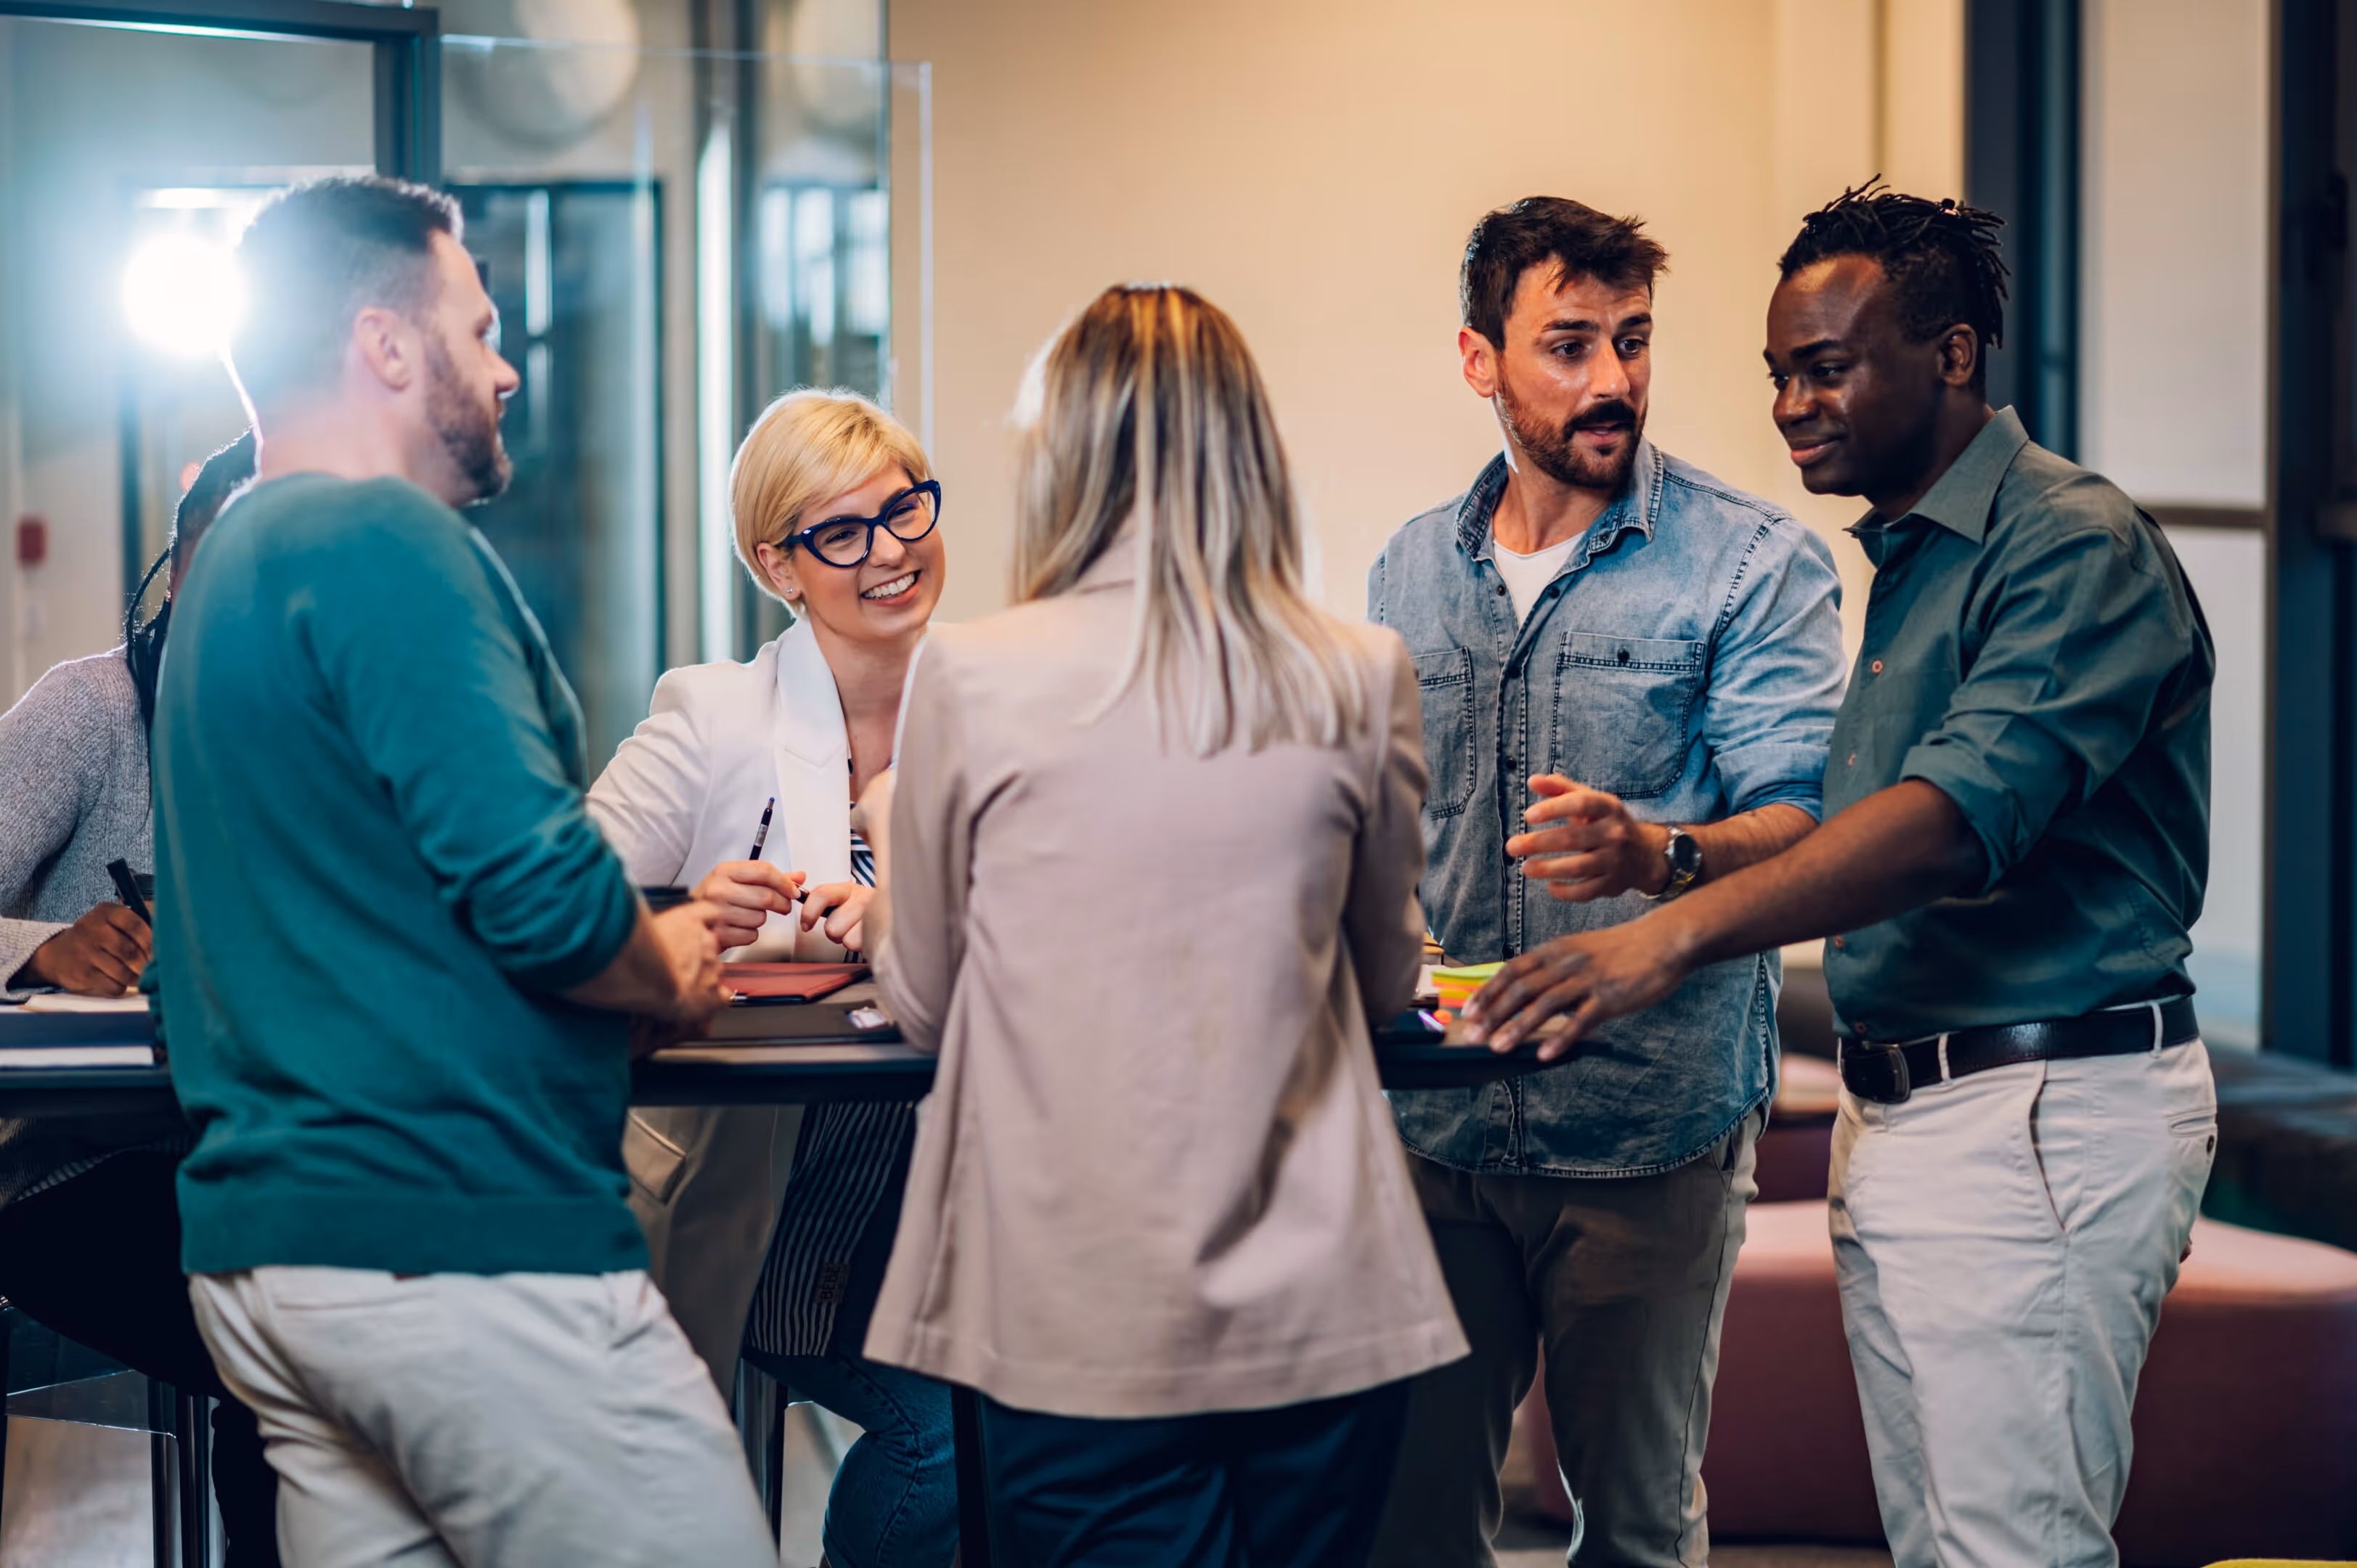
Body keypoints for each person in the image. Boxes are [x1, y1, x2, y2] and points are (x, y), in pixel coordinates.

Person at [1464, 183, 2217, 1568]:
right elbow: (1859, 828)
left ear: (1949, 356)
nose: (1792, 405)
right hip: (1919, 1105)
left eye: (1825, 368)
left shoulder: (2069, 544)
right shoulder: (1912, 560)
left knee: (2012, 1547)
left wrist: (1666, 933)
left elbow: (1944, 821)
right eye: (1776, 375)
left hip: (2039, 1108)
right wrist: (1663, 858)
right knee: (1941, 1546)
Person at [150, 174, 776, 1567]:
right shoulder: (382, 542)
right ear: (385, 345)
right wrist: (666, 960)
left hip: (273, 1271)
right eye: (479, 328)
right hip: (455, 1249)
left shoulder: (232, 563)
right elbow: (544, 896)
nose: (504, 370)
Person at [858, 283, 1467, 1568]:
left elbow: (920, 1000)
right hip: (1323, 1301)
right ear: (1248, 446)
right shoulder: (1358, 672)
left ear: (1063, 454)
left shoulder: (970, 675)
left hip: (1072, 1313)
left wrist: (884, 817)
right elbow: (1380, 984)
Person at [1364, 197, 1845, 1567]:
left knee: (1635, 1528)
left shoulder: (1753, 561)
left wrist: (1656, 854)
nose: (1613, 382)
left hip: (1645, 1130)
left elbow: (1807, 821)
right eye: (1568, 345)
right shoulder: (1407, 568)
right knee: (1406, 1521)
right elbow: (1387, 826)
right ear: (1479, 361)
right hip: (1438, 1130)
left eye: (1632, 342)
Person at [589, 388, 955, 1568]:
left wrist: (905, 916)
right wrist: (687, 922)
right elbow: (559, 917)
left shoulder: (1003, 707)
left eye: (904, 509)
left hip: (954, 1192)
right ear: (776, 565)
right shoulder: (715, 716)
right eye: (841, 534)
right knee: (948, 1442)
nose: (891, 552)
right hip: (777, 1199)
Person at [0, 433, 281, 1567]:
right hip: (60, 1168)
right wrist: (37, 952)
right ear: (175, 565)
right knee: (295, 1352)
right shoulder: (91, 713)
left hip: (261, 1159)